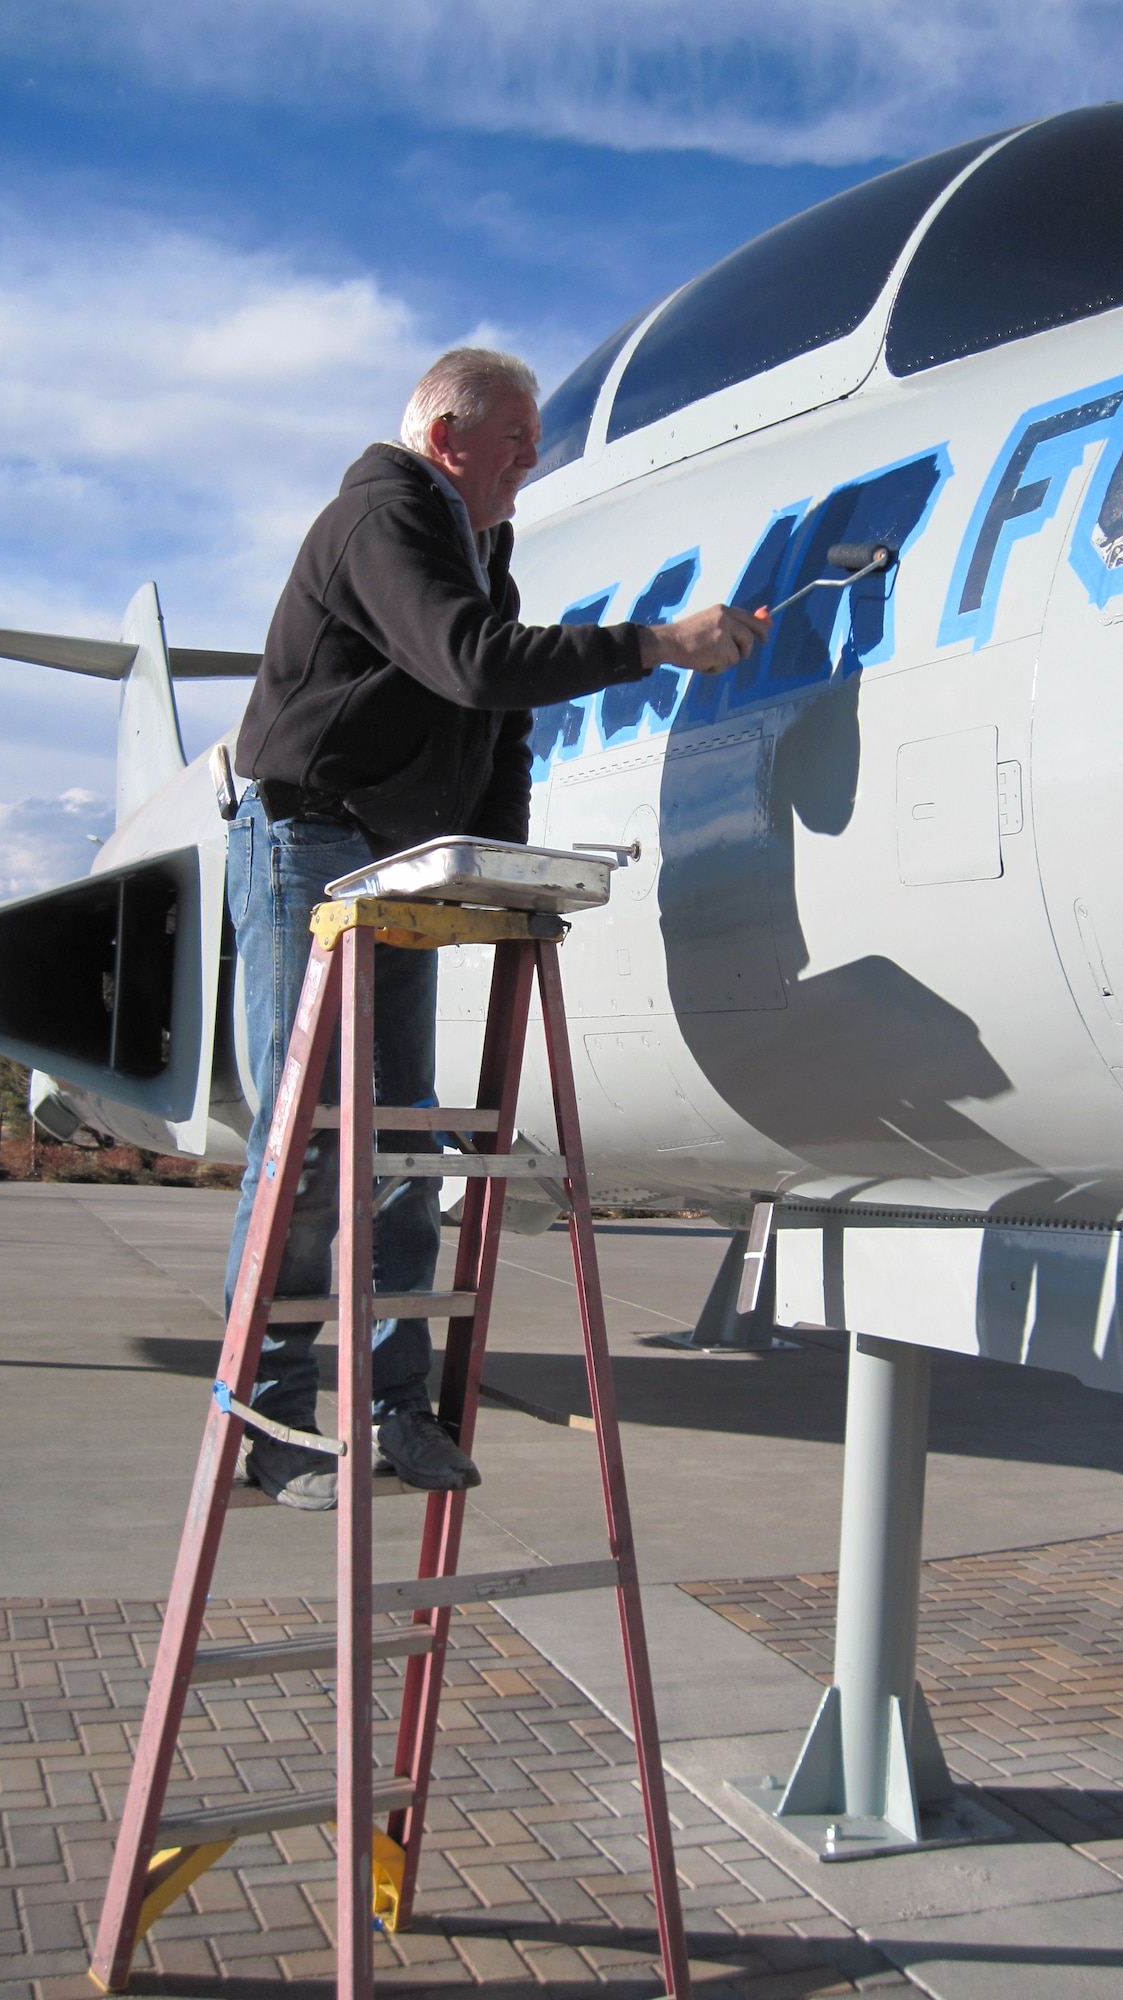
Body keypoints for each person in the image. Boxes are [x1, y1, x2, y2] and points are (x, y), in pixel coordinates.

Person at [224, 346, 767, 1509]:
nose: (533, 456)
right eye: (515, 435)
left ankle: (395, 1408)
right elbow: (472, 669)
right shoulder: (382, 518)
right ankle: (268, 1425)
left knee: (406, 1140)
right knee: (315, 1142)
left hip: (396, 858)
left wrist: (508, 872)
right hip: (311, 842)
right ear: (443, 436)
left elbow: (496, 728)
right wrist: (655, 641)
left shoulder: (482, 554)